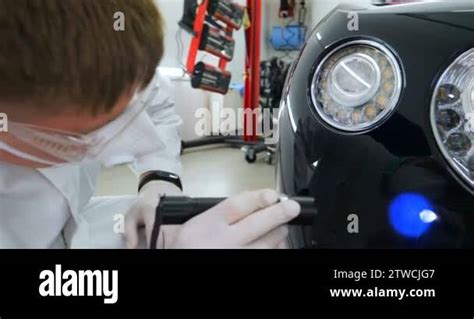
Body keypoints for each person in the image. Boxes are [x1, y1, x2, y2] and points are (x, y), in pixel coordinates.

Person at [0, 0, 301, 249]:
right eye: (74, 140)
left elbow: (157, 108)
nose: (115, 145)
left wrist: (159, 180)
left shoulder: (108, 59)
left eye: (125, 113)